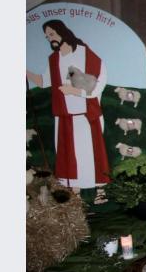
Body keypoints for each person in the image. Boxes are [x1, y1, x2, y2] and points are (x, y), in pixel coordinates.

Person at [25, 19, 111, 197]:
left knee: (89, 151)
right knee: (70, 154)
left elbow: (99, 80)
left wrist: (75, 91)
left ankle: (99, 191)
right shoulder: (54, 59)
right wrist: (25, 72)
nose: (50, 39)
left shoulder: (84, 53)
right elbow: (44, 81)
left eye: (52, 34)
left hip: (85, 113)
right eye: (47, 36)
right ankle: (76, 192)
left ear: (62, 32)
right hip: (65, 115)